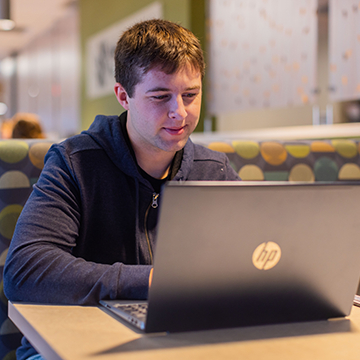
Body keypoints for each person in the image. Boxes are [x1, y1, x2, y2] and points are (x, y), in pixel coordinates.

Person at [4, 19, 240, 360]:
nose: (180, 112)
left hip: (180, 340)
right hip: (73, 343)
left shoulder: (213, 170)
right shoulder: (75, 163)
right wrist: (152, 280)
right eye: (161, 96)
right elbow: (27, 269)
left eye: (191, 95)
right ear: (123, 96)